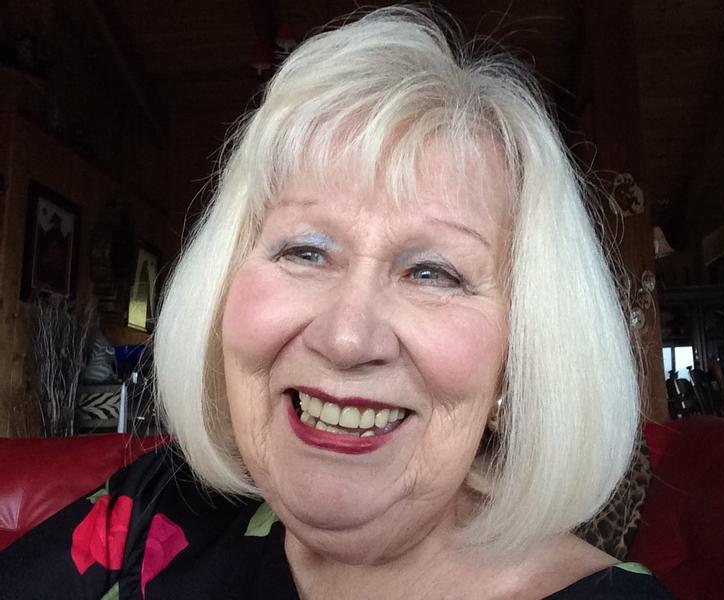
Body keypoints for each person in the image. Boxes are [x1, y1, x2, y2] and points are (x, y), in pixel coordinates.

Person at [1, 7, 673, 598]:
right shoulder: (158, 509)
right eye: (305, 252)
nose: (348, 338)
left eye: (432, 273)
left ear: (518, 358)